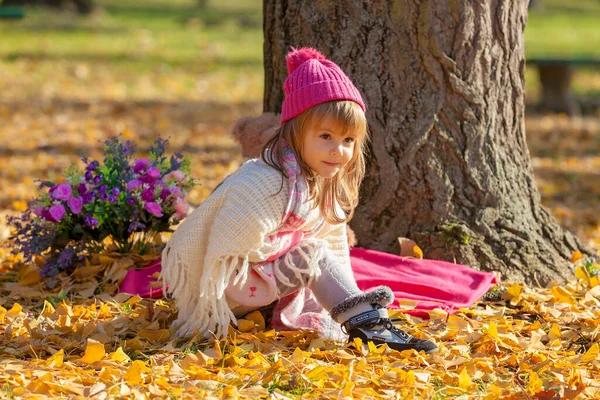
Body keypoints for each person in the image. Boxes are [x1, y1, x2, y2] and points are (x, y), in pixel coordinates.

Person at [161, 47, 438, 354]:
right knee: (309, 252)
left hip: (256, 284)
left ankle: (363, 322)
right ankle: (369, 326)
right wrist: (286, 247)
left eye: (348, 141)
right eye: (325, 137)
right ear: (295, 132)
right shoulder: (264, 182)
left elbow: (335, 253)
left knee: (314, 251)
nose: (338, 150)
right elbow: (228, 248)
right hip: (219, 289)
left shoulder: (320, 182)